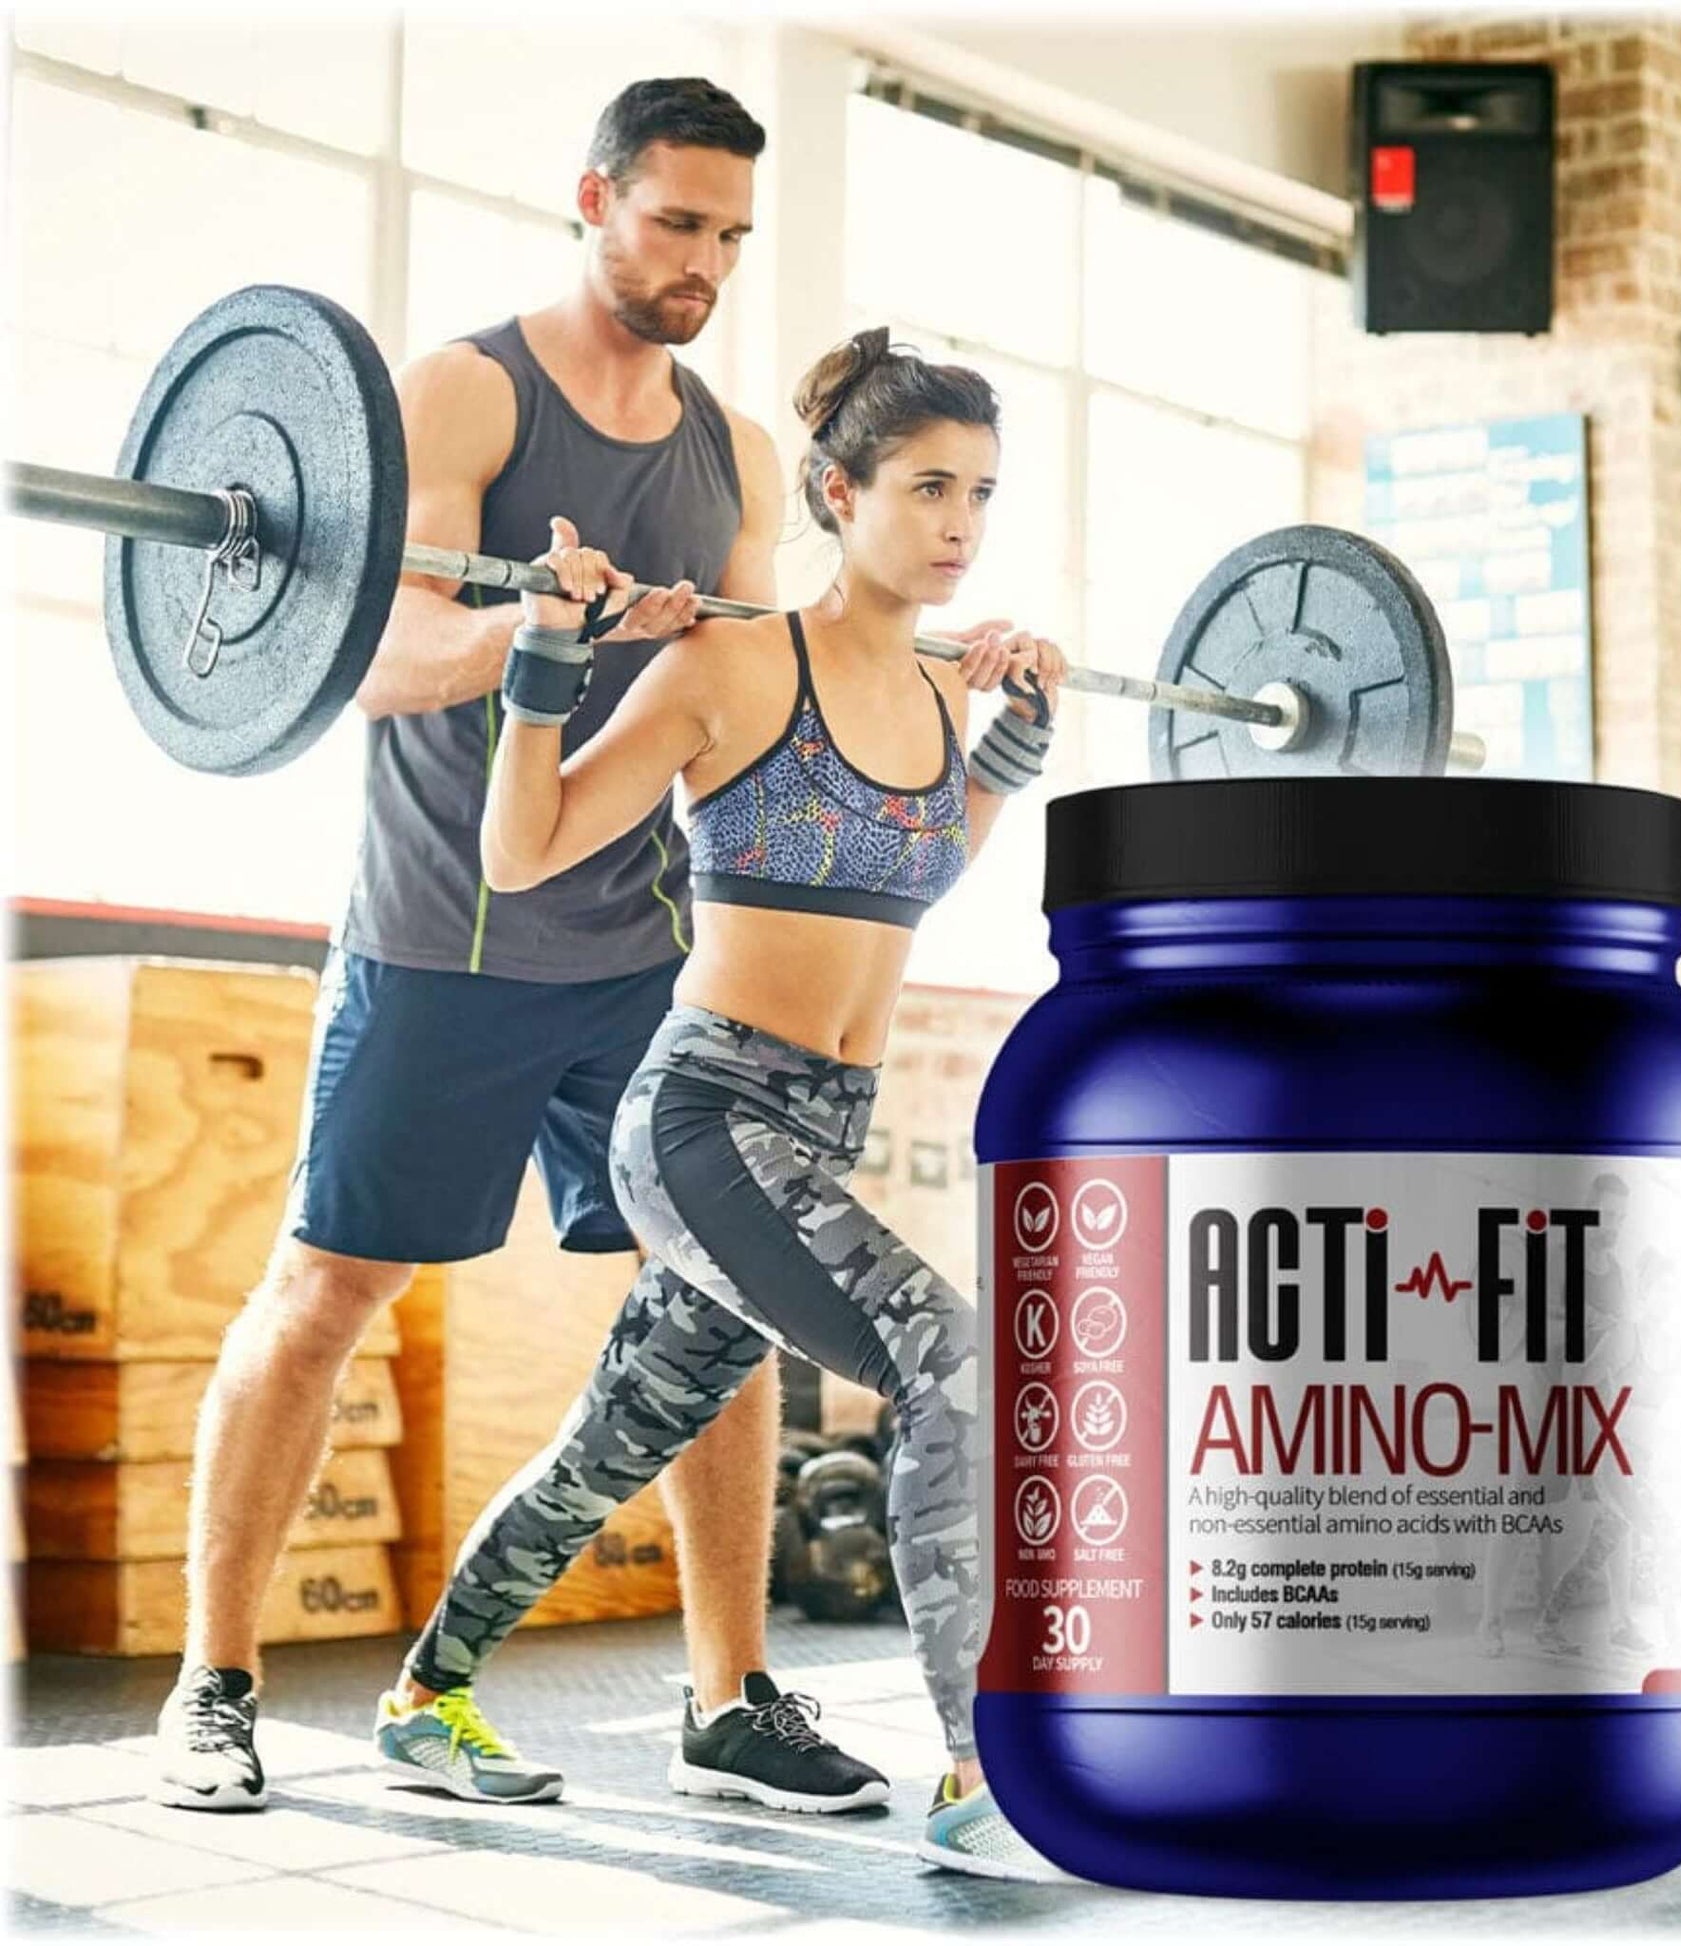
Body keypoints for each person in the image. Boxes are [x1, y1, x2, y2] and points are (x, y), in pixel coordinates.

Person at [153, 77, 884, 1820]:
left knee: (709, 1299)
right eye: (674, 221)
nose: (702, 261)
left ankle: (731, 1693)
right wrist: (522, 626)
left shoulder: (734, 451)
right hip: (443, 931)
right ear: (594, 199)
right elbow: (358, 651)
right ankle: (215, 1685)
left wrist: (923, 662)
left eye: (728, 234)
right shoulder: (463, 388)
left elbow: (755, 681)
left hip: (642, 944)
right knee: (330, 1289)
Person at [376, 327, 1069, 1879]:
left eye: (983, 495)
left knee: (605, 1448)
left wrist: (1011, 749)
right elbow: (523, 849)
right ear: (837, 491)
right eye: (927, 487)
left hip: (814, 1120)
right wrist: (545, 664)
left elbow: (919, 871)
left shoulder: (954, 687)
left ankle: (425, 1691)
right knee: (950, 1358)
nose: (960, 523)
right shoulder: (730, 662)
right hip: (703, 1119)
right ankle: (976, 1764)